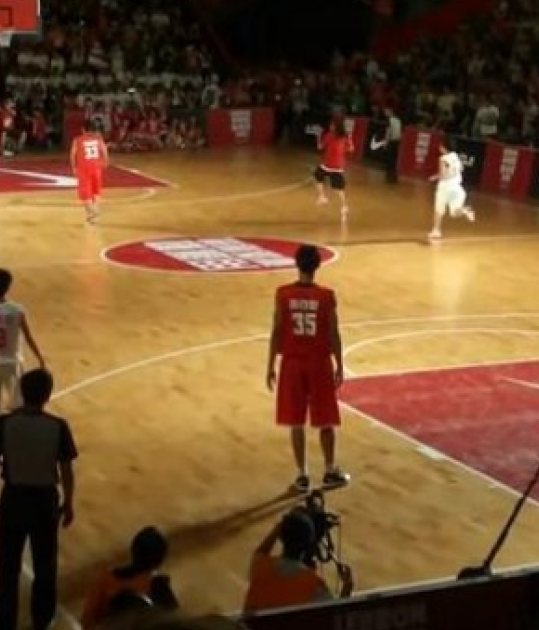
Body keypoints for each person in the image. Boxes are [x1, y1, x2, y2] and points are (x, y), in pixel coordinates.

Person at [0, 368, 78, 630]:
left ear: (22, 393)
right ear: (47, 395)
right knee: (45, 565)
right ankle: (42, 620)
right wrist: (69, 502)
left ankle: (5, 623)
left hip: (14, 498)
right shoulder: (58, 426)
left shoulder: (4, 424)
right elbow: (67, 470)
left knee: (7, 567)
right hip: (44, 501)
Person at [266, 245, 349, 493]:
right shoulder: (326, 296)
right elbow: (333, 333)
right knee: (326, 419)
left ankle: (302, 474)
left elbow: (277, 331)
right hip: (319, 363)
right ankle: (329, 469)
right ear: (317, 266)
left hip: (292, 363)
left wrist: (270, 364)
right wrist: (340, 364)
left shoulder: (283, 294)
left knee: (295, 421)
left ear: (297, 264)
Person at [0, 268, 46, 440]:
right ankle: (15, 439)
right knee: (18, 406)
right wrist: (39, 356)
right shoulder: (17, 310)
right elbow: (28, 337)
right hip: (12, 363)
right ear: (9, 286)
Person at [242, 509, 354, 613]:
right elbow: (335, 616)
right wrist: (347, 587)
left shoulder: (261, 567)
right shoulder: (313, 585)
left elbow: (261, 551)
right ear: (310, 544)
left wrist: (280, 526)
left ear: (281, 537)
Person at [81, 526, 179, 630]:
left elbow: (87, 619)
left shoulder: (107, 577)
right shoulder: (158, 586)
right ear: (160, 560)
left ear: (133, 550)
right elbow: (176, 621)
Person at [428, 141, 476, 241]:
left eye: (441, 146)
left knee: (438, 210)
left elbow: (443, 175)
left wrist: (434, 177)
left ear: (444, 148)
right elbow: (461, 169)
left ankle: (436, 231)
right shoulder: (456, 156)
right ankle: (465, 210)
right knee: (454, 213)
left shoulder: (443, 159)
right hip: (457, 188)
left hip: (445, 188)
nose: (440, 148)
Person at [313, 118, 354, 220]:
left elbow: (320, 147)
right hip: (337, 165)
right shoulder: (344, 136)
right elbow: (351, 149)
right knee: (338, 189)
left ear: (335, 127)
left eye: (332, 125)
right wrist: (348, 140)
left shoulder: (329, 135)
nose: (330, 126)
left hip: (330, 164)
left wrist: (318, 136)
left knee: (318, 176)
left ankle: (322, 197)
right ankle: (343, 206)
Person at [71, 118, 109, 225]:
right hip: (97, 166)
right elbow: (104, 150)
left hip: (84, 168)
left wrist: (74, 167)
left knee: (86, 193)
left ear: (83, 129)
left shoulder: (78, 140)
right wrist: (106, 161)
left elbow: (73, 154)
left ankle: (93, 213)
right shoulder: (98, 138)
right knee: (96, 191)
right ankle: (92, 216)